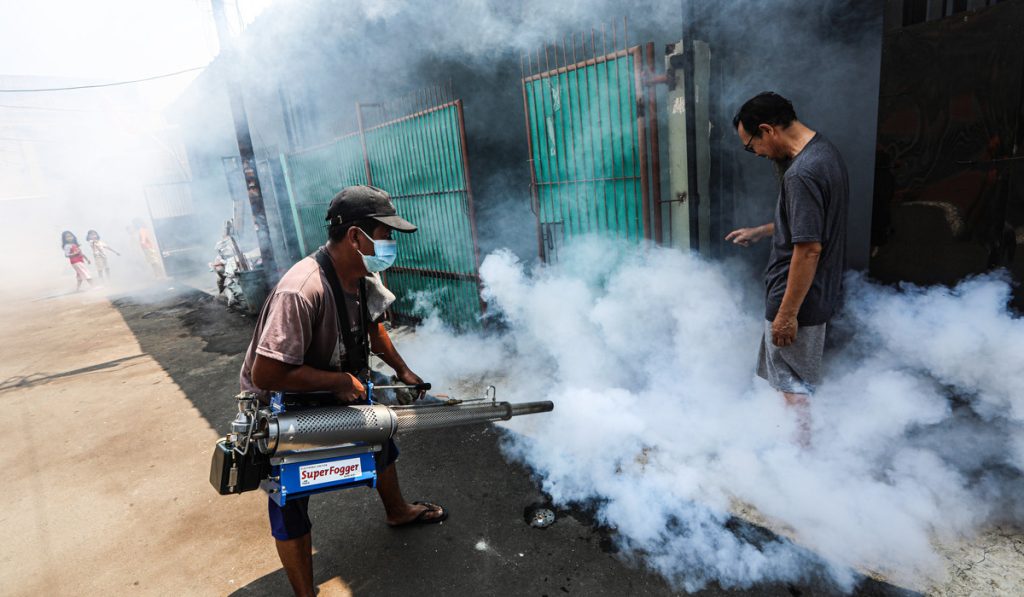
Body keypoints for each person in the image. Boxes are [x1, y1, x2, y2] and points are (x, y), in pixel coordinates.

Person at [238, 185, 445, 597]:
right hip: (282, 400)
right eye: (384, 235)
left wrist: (403, 370)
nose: (389, 244)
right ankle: (305, 592)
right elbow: (267, 373)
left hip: (335, 383)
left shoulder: (362, 275)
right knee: (289, 497)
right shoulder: (302, 290)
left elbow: (372, 326)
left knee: (381, 436)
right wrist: (336, 381)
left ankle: (397, 511)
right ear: (355, 236)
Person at [724, 92, 849, 446]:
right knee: (792, 384)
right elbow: (806, 225)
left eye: (752, 147)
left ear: (767, 131)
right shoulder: (824, 153)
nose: (758, 155)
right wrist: (762, 231)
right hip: (815, 292)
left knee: (793, 388)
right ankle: (794, 452)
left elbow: (808, 249)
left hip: (797, 298)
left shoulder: (801, 174)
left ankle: (799, 463)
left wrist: (786, 315)